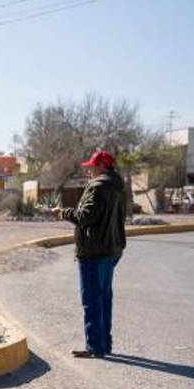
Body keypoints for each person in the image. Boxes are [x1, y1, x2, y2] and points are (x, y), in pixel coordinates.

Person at [50, 150, 127, 358]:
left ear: (101, 166)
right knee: (104, 298)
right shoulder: (119, 186)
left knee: (92, 300)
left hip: (94, 251)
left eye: (92, 166)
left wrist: (63, 212)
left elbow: (86, 217)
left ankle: (95, 347)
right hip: (112, 249)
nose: (89, 170)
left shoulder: (98, 186)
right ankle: (105, 344)